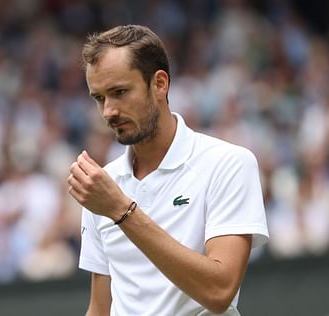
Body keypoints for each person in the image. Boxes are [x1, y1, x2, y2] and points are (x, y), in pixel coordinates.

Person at [68, 25, 269, 316]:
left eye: (119, 92)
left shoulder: (229, 163)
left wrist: (121, 210)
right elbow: (100, 308)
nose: (108, 111)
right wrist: (112, 204)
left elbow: (219, 291)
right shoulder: (104, 186)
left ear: (160, 84)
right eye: (99, 98)